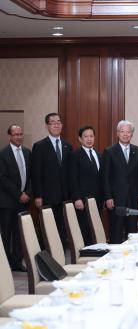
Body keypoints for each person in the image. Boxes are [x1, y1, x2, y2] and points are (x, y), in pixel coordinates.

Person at [103, 120, 138, 243]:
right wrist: (108, 197)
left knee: (132, 231)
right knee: (116, 231)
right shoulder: (109, 152)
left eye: (128, 132)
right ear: (117, 133)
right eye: (122, 131)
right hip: (116, 199)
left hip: (134, 197)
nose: (125, 134)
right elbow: (105, 177)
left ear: (132, 134)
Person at [32, 113, 72, 243]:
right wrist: (38, 195)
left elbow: (70, 173)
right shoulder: (39, 146)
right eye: (53, 122)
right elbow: (36, 173)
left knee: (62, 229)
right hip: (47, 196)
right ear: (47, 126)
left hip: (64, 196)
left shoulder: (68, 146)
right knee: (47, 229)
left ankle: (60, 256)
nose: (56, 125)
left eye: (59, 122)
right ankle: (46, 259)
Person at [0, 125, 30, 271]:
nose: (19, 137)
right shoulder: (3, 154)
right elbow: (3, 178)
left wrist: (27, 193)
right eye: (16, 134)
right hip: (7, 202)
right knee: (6, 234)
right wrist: (19, 194)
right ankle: (5, 263)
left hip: (24, 201)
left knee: (19, 233)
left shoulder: (27, 152)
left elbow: (31, 176)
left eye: (21, 134)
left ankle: (17, 262)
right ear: (10, 136)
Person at [69, 126, 103, 245]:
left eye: (91, 136)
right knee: (84, 230)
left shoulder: (99, 155)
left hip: (97, 200)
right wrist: (77, 198)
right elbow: (72, 179)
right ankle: (83, 256)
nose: (89, 139)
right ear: (80, 139)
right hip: (82, 200)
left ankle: (94, 254)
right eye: (86, 136)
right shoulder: (75, 155)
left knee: (95, 229)